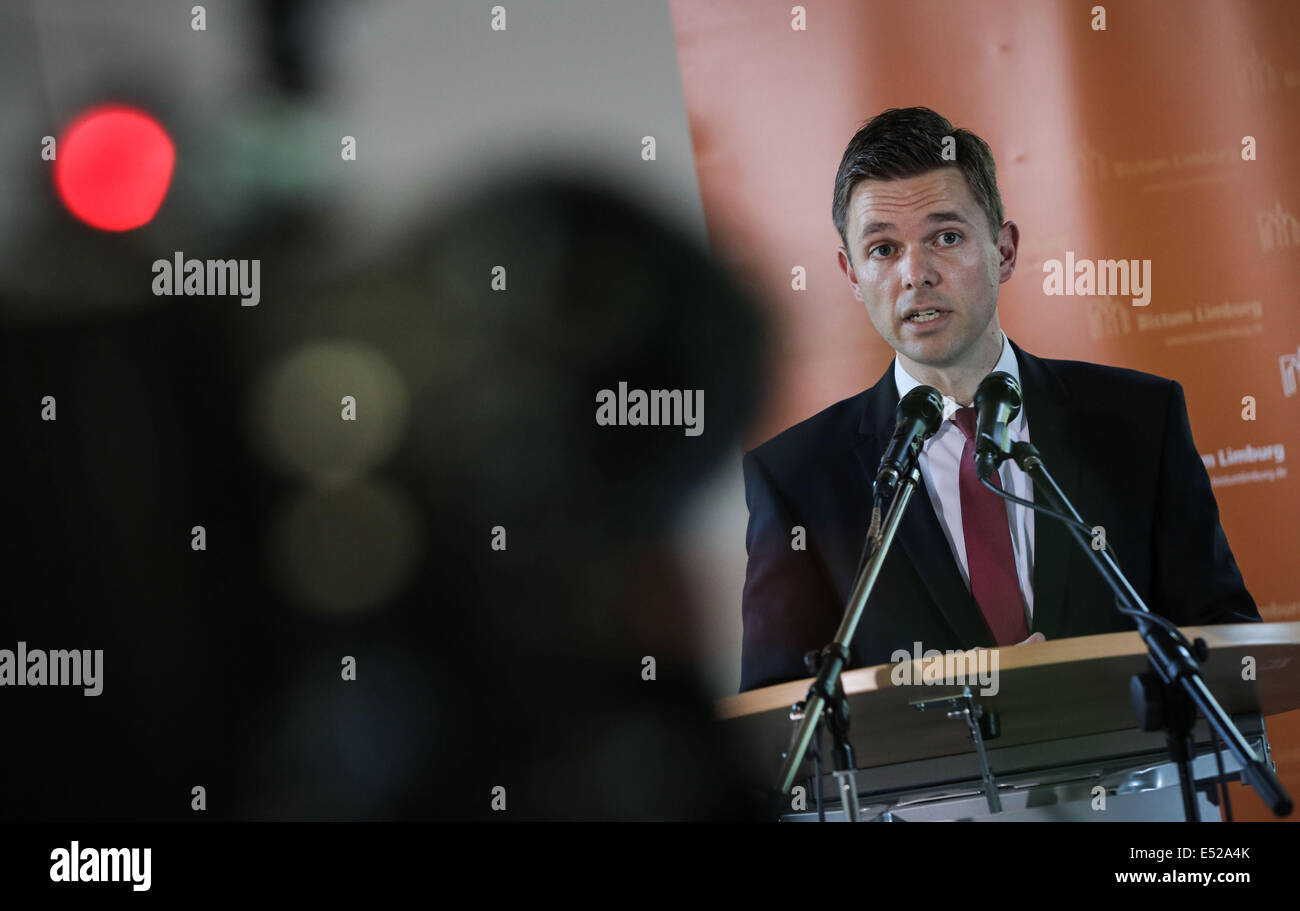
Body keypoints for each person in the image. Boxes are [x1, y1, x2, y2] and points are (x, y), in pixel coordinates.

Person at [739, 107, 1260, 693]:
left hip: (1136, 783)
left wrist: (1095, 696)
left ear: (1004, 251)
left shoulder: (1139, 420)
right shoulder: (798, 478)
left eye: (947, 237)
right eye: (883, 249)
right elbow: (779, 720)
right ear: (852, 275)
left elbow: (1227, 645)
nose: (916, 274)